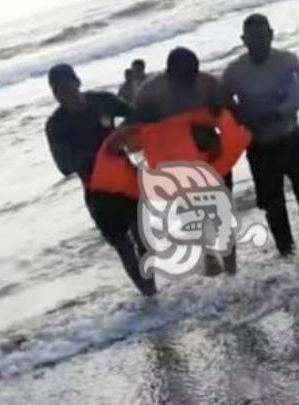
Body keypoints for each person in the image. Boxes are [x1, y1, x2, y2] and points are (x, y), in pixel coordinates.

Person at [44, 63, 156, 296]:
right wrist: (100, 151)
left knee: (143, 236)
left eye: (67, 87)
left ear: (78, 82)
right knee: (123, 248)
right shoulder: (56, 125)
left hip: (126, 179)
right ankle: (149, 296)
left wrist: (121, 135)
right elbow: (64, 167)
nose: (64, 94)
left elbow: (138, 116)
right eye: (57, 91)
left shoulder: (101, 101)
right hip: (97, 192)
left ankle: (152, 289)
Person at [222, 14, 299, 262]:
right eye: (252, 38)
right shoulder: (234, 72)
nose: (258, 42)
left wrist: (270, 115)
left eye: (262, 36)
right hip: (259, 147)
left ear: (271, 34)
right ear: (243, 40)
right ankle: (287, 255)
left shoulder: (287, 61)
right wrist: (239, 120)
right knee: (272, 205)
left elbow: (294, 98)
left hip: (290, 139)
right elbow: (223, 104)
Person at [131, 47, 237, 276]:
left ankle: (232, 268)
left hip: (210, 153)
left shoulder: (208, 83)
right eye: (184, 76)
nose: (190, 80)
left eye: (193, 73)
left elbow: (229, 111)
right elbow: (140, 128)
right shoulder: (151, 92)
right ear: (169, 72)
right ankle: (208, 255)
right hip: (177, 161)